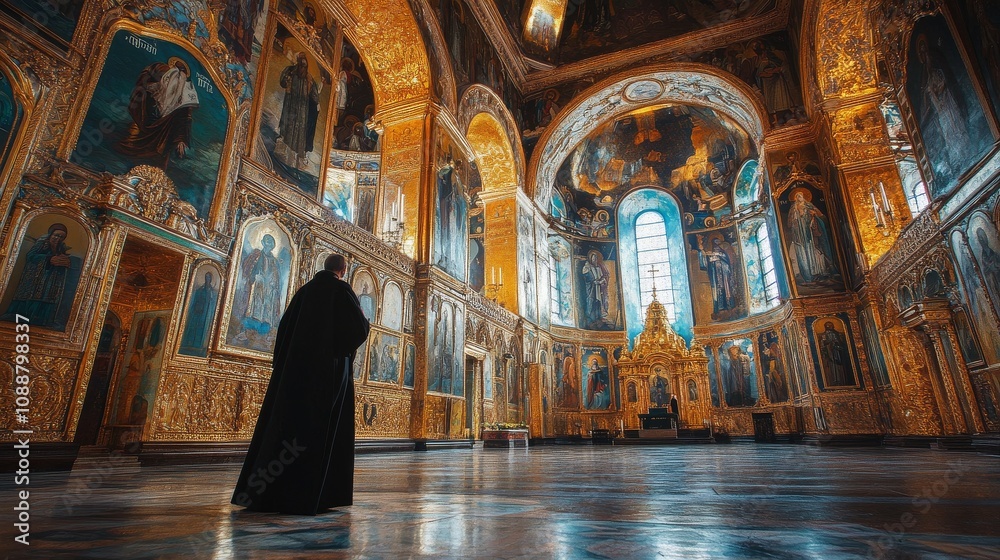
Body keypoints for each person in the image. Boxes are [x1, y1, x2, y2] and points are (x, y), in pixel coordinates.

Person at [232, 253, 370, 515]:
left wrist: (284, 366)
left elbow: (284, 329)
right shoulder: (341, 290)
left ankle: (271, 493)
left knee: (287, 426)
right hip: (327, 372)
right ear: (343, 269)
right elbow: (358, 329)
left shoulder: (304, 292)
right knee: (320, 428)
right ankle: (311, 495)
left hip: (295, 374)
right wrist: (357, 331)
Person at [119, 57, 199, 169]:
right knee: (127, 152)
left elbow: (184, 119)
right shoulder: (154, 86)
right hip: (142, 129)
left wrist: (181, 140)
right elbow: (145, 77)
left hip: (162, 139)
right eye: (172, 84)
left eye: (178, 86)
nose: (174, 90)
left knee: (157, 166)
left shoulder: (182, 101)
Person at [3, 222, 82, 330]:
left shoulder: (61, 248)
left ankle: (40, 321)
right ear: (51, 234)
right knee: (31, 298)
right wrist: (49, 259)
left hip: (50, 281)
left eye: (61, 237)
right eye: (56, 235)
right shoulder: (42, 243)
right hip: (35, 277)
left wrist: (64, 260)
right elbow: (31, 256)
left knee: (46, 299)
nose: (58, 238)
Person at [279, 52, 321, 168]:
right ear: (298, 63)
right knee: (288, 126)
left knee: (300, 132)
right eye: (301, 64)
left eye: (304, 66)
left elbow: (314, 95)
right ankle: (286, 151)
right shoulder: (290, 71)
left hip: (303, 109)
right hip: (291, 104)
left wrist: (317, 104)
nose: (303, 67)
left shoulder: (309, 78)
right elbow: (282, 82)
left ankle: (297, 157)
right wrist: (287, 79)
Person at [786, 189, 836, 283]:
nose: (799, 198)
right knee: (803, 253)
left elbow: (820, 216)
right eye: (797, 196)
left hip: (810, 232)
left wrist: (814, 215)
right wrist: (795, 222)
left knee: (815, 250)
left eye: (800, 196)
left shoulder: (809, 205)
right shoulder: (793, 208)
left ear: (803, 197)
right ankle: (808, 275)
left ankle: (820, 271)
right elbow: (789, 223)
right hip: (799, 234)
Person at [241, 234, 283, 335]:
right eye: (267, 240)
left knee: (266, 311)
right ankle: (247, 329)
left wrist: (273, 284)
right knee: (254, 307)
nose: (269, 243)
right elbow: (248, 267)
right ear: (263, 243)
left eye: (271, 241)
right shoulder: (256, 255)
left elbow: (277, 278)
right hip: (256, 286)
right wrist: (255, 276)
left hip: (269, 290)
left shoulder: (275, 261)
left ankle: (263, 331)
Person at [179, 270, 219, 356]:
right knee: (193, 326)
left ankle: (198, 345)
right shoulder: (200, 289)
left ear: (211, 279)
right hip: (197, 311)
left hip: (205, 313)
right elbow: (196, 298)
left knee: (201, 328)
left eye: (209, 277)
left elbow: (212, 301)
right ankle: (188, 344)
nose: (207, 279)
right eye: (206, 277)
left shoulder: (212, 291)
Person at [819, 321, 854, 386]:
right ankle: (834, 381)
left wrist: (837, 343)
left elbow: (841, 343)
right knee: (832, 366)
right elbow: (822, 344)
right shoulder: (824, 335)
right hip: (830, 352)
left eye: (831, 325)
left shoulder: (837, 334)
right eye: (828, 326)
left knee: (839, 367)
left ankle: (842, 381)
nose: (830, 327)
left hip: (838, 353)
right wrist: (827, 344)